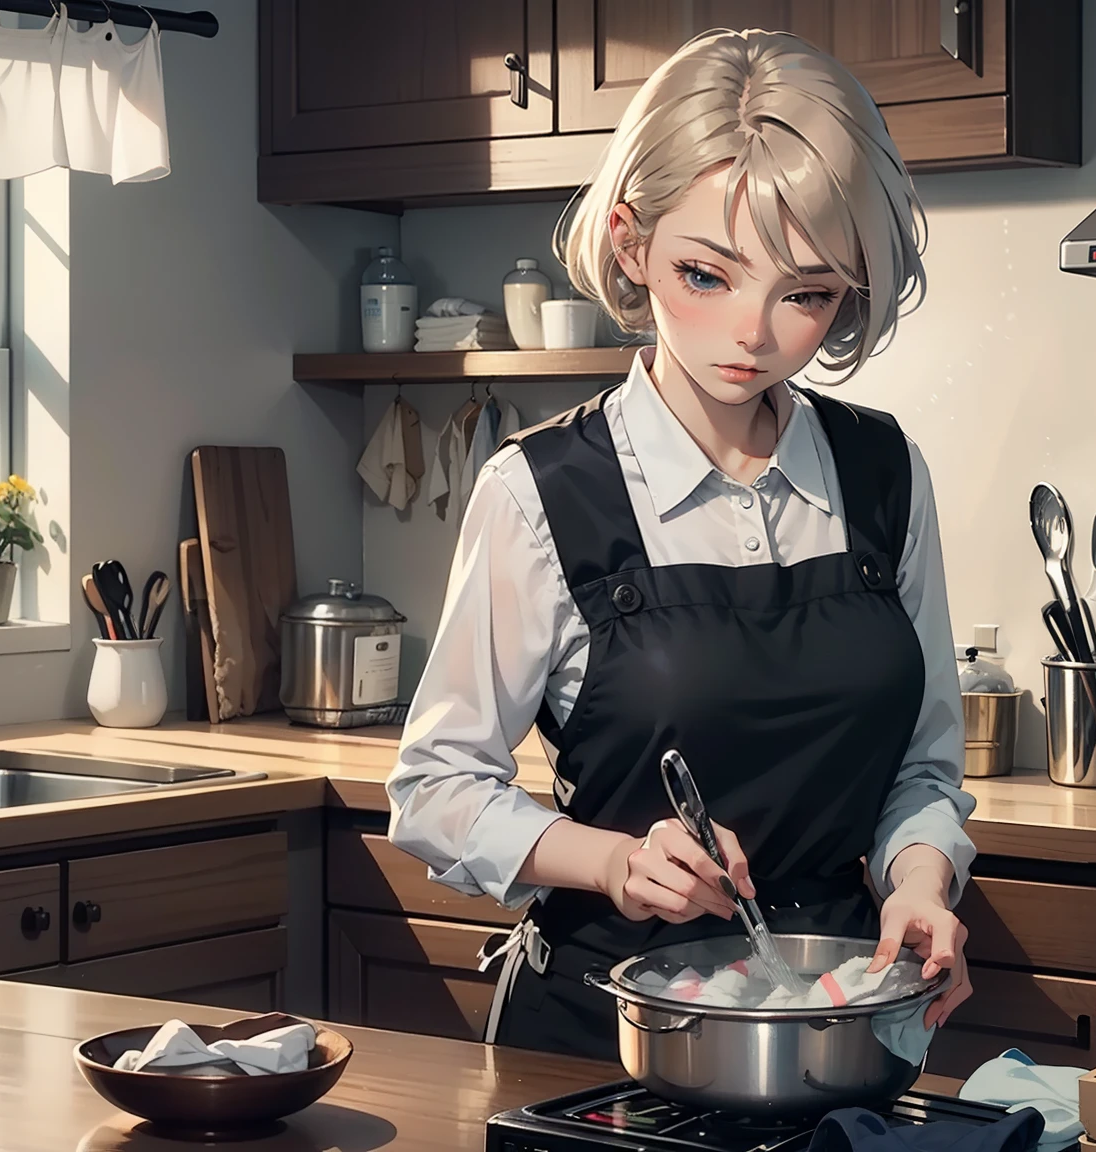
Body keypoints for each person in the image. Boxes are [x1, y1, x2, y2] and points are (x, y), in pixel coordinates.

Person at [386, 27, 976, 1063]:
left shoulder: (886, 475)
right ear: (631, 244)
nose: (753, 332)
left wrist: (922, 881)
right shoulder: (540, 492)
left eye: (806, 293)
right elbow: (434, 790)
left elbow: (922, 773)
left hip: (837, 1026)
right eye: (708, 274)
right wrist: (614, 863)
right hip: (603, 1038)